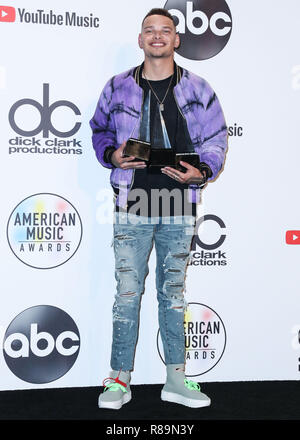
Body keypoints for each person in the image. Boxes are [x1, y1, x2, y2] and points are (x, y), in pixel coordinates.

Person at [90, 8, 227, 410]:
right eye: (149, 30)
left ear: (176, 39)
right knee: (127, 295)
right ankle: (119, 381)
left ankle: (176, 380)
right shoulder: (117, 87)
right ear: (140, 39)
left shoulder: (199, 88)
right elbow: (99, 130)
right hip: (132, 202)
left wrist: (201, 169)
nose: (157, 37)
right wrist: (112, 154)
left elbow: (218, 138)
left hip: (177, 204)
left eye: (165, 30)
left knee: (173, 295)